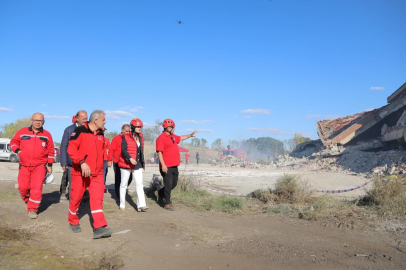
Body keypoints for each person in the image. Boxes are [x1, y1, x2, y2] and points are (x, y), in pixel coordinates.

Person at [67, 110, 113, 239]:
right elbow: (71, 149)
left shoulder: (100, 134)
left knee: (97, 200)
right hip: (80, 173)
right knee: (76, 198)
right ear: (96, 120)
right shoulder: (80, 131)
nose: (105, 122)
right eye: (103, 119)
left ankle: (99, 227)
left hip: (97, 174)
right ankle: (73, 220)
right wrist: (81, 162)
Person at [10, 113, 54, 219]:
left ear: (44, 122)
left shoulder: (47, 135)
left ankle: (33, 209)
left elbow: (51, 151)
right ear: (31, 121)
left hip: (40, 166)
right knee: (23, 187)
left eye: (40, 120)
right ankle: (27, 200)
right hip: (24, 165)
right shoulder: (22, 132)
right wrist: (19, 151)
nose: (38, 122)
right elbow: (13, 142)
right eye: (35, 120)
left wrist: (50, 165)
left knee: (36, 188)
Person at [156, 119, 197, 211]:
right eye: (172, 127)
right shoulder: (161, 138)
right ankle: (167, 202)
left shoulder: (173, 137)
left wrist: (190, 135)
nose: (174, 129)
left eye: (173, 127)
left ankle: (160, 193)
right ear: (167, 128)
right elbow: (159, 152)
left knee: (173, 184)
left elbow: (182, 137)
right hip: (166, 166)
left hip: (174, 165)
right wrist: (163, 165)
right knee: (168, 184)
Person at [118, 118, 147, 211]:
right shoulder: (126, 137)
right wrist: (130, 158)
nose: (139, 128)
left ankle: (141, 205)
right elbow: (123, 150)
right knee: (123, 185)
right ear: (133, 127)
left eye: (140, 127)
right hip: (126, 164)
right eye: (138, 127)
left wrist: (142, 162)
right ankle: (122, 204)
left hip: (137, 164)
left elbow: (141, 151)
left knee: (139, 184)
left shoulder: (141, 137)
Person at [60, 111, 88, 200]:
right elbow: (64, 146)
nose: (85, 120)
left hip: (85, 162)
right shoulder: (69, 130)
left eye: (86, 119)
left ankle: (80, 199)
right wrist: (64, 162)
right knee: (73, 184)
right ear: (77, 118)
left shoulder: (88, 129)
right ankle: (73, 204)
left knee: (83, 183)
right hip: (72, 162)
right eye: (83, 119)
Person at [109, 124, 132, 202]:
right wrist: (109, 160)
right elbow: (111, 150)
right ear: (122, 130)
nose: (128, 133)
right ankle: (118, 195)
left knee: (130, 177)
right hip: (117, 162)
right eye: (126, 131)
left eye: (129, 131)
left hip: (127, 162)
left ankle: (122, 189)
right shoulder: (116, 139)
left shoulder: (130, 139)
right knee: (118, 178)